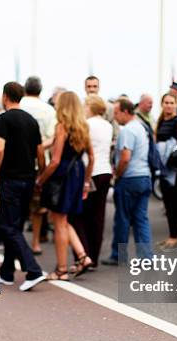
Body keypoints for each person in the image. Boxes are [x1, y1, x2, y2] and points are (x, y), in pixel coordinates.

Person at [0, 82, 46, 291]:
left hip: (10, 179)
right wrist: (40, 176)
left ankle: (33, 270)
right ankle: (7, 272)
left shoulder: (4, 119)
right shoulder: (31, 121)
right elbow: (40, 152)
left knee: (6, 226)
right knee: (16, 226)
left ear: (5, 96)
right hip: (29, 178)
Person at [37, 91, 94, 279]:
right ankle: (83, 256)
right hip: (77, 173)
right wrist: (86, 182)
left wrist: (41, 179)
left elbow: (55, 161)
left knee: (59, 222)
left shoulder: (62, 127)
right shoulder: (83, 127)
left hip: (62, 175)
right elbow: (91, 158)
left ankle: (61, 270)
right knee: (64, 219)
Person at [102, 98, 152, 265]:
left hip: (129, 178)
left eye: (116, 113)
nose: (115, 117)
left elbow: (125, 158)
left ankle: (118, 254)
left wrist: (117, 175)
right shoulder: (141, 127)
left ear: (125, 111)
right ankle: (146, 256)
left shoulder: (127, 131)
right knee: (141, 218)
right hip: (144, 175)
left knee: (123, 218)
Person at [69, 95, 113, 270]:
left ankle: (82, 254)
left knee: (79, 215)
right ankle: (93, 255)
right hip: (105, 170)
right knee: (98, 216)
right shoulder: (108, 126)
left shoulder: (87, 124)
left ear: (90, 107)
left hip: (89, 172)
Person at [20, 76, 57, 255]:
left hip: (19, 161)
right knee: (37, 206)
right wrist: (39, 147)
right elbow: (53, 137)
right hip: (40, 161)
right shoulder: (49, 110)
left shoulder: (18, 107)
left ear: (25, 89)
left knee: (18, 203)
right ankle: (35, 242)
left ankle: (18, 239)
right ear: (40, 90)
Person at [155, 93, 177, 248]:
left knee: (174, 203)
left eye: (171, 102)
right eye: (166, 102)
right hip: (162, 167)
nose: (168, 105)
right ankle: (171, 235)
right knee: (167, 203)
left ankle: (174, 236)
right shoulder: (161, 120)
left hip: (173, 169)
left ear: (176, 104)